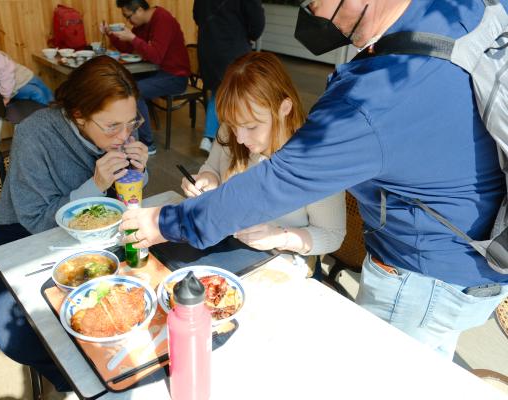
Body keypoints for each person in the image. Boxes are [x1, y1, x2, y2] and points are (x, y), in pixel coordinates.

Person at [121, 0, 508, 359]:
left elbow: (280, 182)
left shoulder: (376, 97)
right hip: (472, 260)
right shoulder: (457, 11)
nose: (318, 18)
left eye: (316, 3)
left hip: (424, 275)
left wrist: (164, 221)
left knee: (385, 376)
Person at [0, 55, 149, 391]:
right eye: (113, 126)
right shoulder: (35, 134)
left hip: (100, 233)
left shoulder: (123, 126)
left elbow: (125, 198)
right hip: (24, 234)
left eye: (131, 123)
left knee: (123, 310)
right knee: (12, 335)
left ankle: (108, 378)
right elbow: (35, 217)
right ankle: (77, 384)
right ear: (78, 115)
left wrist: (139, 173)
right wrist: (96, 184)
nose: (124, 135)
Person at [181, 52, 345, 275]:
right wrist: (208, 178)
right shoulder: (232, 131)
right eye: (232, 124)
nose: (239, 138)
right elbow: (212, 167)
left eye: (251, 127)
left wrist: (278, 236)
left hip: (284, 265)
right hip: (227, 249)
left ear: (284, 108)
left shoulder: (316, 159)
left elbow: (332, 235)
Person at [108, 0, 191, 155]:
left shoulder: (162, 19)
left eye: (128, 17)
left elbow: (156, 56)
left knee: (134, 92)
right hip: (158, 73)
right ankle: (128, 135)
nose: (128, 21)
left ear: (139, 10)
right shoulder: (142, 25)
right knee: (124, 85)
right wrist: (111, 35)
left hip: (175, 76)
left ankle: (147, 144)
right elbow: (129, 47)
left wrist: (132, 37)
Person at [193, 0, 265, 154]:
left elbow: (197, 16)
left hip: (208, 47)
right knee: (238, 94)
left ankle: (209, 137)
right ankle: (233, 141)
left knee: (217, 92)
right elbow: (257, 23)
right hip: (234, 48)